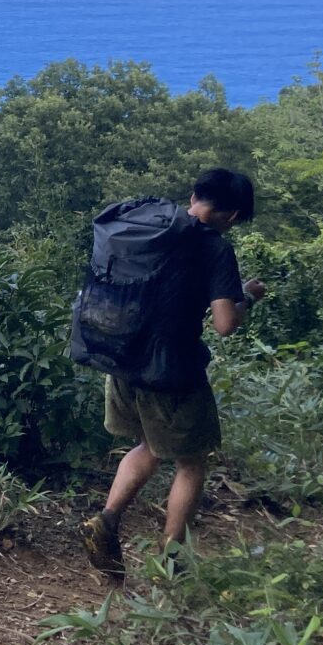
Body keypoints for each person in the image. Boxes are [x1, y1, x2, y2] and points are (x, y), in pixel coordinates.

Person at [79, 168, 267, 578]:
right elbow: (225, 324)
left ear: (194, 194)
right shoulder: (211, 247)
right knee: (192, 460)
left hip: (122, 358)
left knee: (148, 442)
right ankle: (172, 558)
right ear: (232, 215)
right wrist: (246, 297)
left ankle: (107, 521)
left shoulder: (150, 230)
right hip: (172, 370)